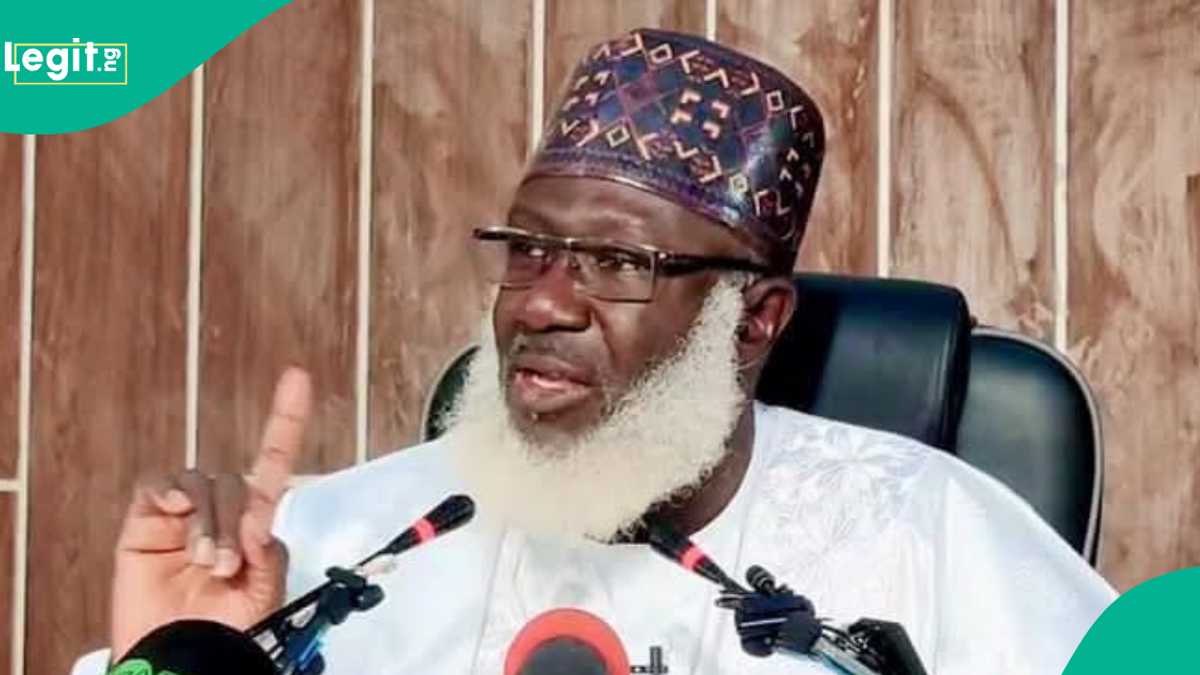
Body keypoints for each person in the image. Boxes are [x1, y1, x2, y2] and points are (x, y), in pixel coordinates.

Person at [73, 28, 1113, 674]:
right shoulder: (322, 553)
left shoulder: (927, 536)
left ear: (754, 321)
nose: (541, 302)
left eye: (618, 263)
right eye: (528, 249)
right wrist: (163, 659)